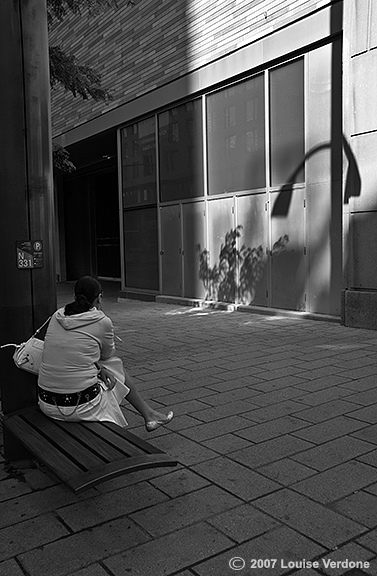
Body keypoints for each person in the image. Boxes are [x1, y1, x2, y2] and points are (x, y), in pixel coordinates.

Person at [38, 276, 173, 431]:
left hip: (47, 403)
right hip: (79, 406)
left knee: (104, 367)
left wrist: (99, 369)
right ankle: (149, 415)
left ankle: (149, 415)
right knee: (115, 365)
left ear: (74, 297)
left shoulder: (57, 315)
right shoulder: (101, 321)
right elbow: (107, 355)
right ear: (99, 298)